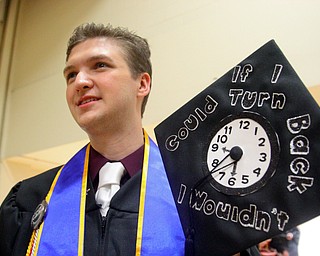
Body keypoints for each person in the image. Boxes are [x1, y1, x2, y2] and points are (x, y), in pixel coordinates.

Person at [0, 23, 259, 256]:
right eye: (70, 75)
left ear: (142, 84)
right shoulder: (30, 199)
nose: (79, 81)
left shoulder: (198, 198)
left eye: (99, 65)